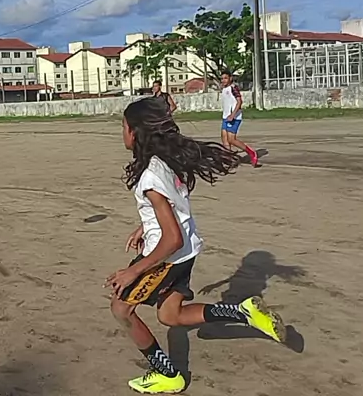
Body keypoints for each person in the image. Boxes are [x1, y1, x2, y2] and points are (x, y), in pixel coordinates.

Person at [108, 97, 287, 394]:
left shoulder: (150, 176)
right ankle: (244, 313)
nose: (122, 132)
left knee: (121, 309)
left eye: (123, 126)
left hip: (169, 255)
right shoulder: (165, 161)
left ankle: (165, 374)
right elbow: (172, 207)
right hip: (187, 251)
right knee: (170, 316)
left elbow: (171, 238)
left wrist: (134, 271)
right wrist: (146, 225)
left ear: (135, 132)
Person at [220, 70, 259, 167]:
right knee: (224, 139)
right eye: (222, 78)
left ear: (230, 78)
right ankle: (229, 160)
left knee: (231, 140)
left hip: (234, 117)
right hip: (226, 117)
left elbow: (239, 101)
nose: (223, 80)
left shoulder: (233, 88)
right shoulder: (224, 89)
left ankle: (251, 153)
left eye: (225, 78)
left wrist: (233, 115)